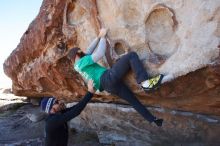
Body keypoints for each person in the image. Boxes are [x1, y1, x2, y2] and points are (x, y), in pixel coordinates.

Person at [67, 28, 173, 127]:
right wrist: (103, 37)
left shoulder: (78, 66)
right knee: (131, 56)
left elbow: (89, 50)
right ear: (77, 55)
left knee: (133, 101)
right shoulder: (81, 62)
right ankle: (145, 82)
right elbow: (99, 53)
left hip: (108, 86)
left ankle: (152, 119)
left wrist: (98, 37)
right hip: (107, 77)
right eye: (81, 52)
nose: (84, 53)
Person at [40, 80, 95, 146]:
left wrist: (89, 93)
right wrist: (90, 93)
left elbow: (75, 108)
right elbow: (75, 112)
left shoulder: (59, 113)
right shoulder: (52, 121)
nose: (59, 102)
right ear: (51, 108)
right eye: (56, 102)